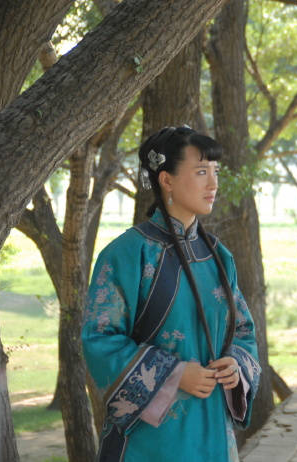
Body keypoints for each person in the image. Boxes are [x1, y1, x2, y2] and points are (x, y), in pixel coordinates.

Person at [82, 126, 261, 462]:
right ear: (166, 180)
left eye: (215, 172)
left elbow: (243, 331)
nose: (213, 184)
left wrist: (235, 364)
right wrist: (175, 374)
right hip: (150, 441)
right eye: (201, 172)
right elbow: (100, 339)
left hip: (214, 430)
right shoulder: (128, 254)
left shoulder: (218, 256)